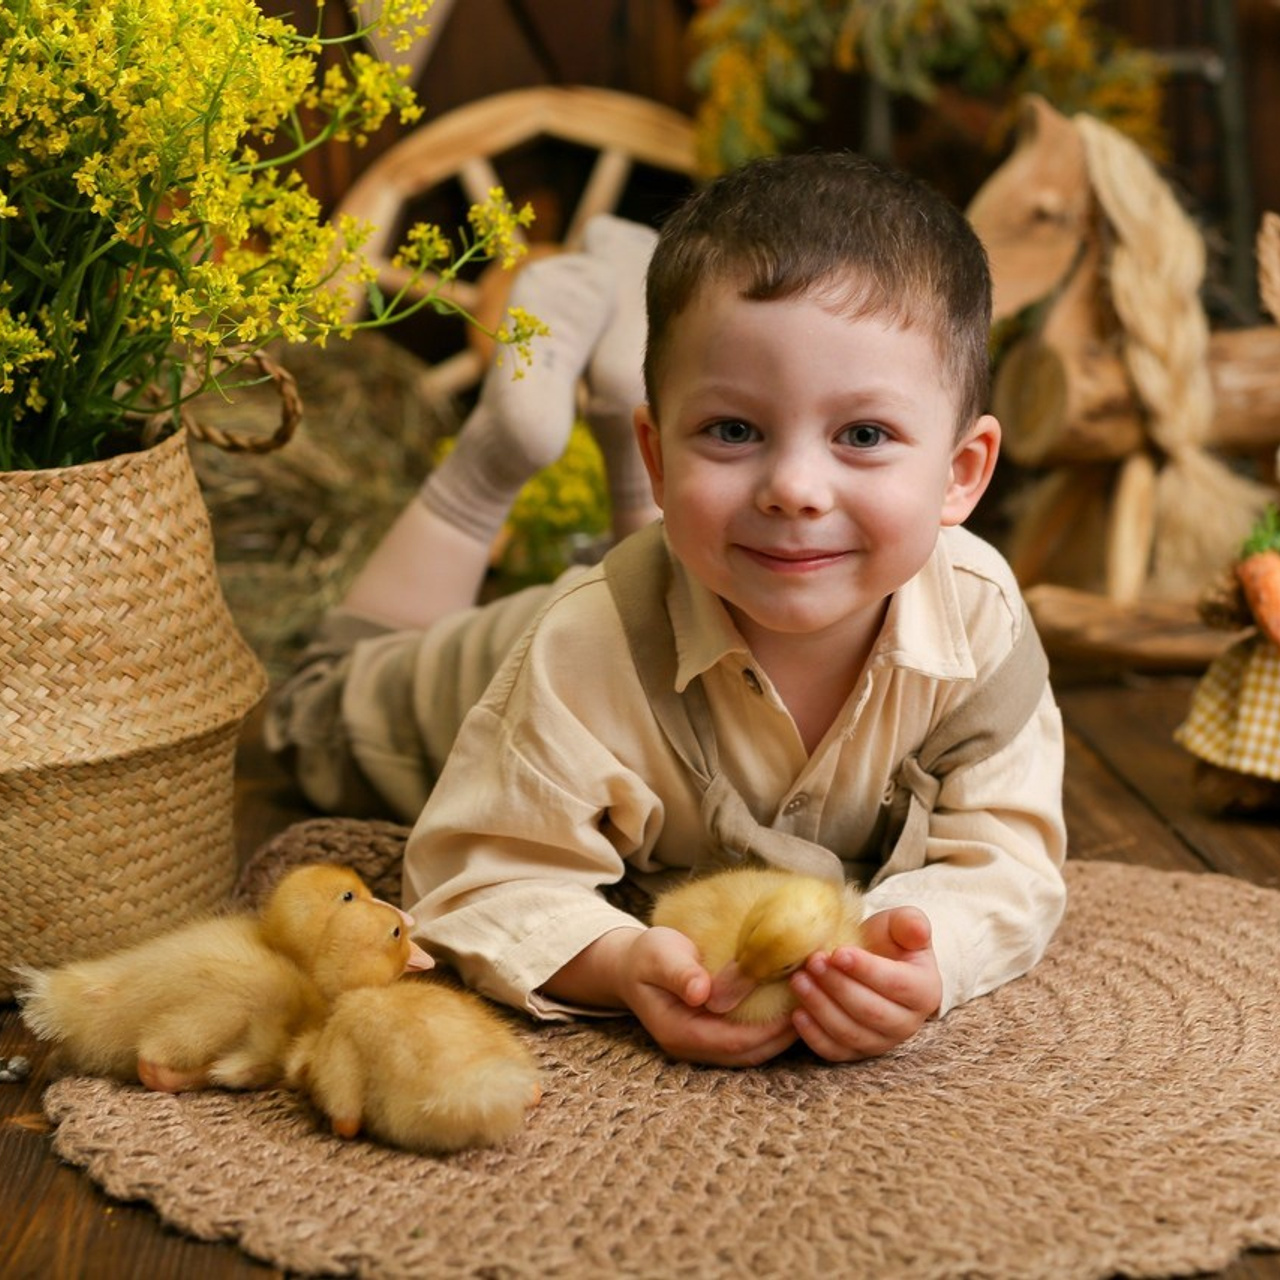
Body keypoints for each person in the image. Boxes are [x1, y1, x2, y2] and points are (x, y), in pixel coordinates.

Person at [267, 152, 1067, 1068]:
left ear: (961, 475)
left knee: (698, 546)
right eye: (733, 429)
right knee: (316, 713)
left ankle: (634, 414)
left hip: (687, 585)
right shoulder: (584, 643)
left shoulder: (982, 625)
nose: (797, 488)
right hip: (455, 684)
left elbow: (1008, 864)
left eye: (864, 436)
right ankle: (492, 459)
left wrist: (918, 956)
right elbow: (481, 873)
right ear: (663, 452)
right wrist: (616, 964)